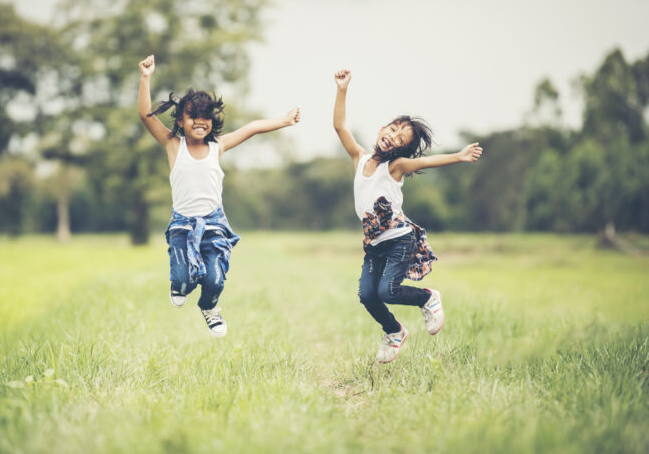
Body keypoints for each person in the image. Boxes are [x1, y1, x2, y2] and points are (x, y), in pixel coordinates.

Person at [138, 54, 300, 337]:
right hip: (183, 224)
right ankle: (179, 284)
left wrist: (284, 121)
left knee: (214, 278)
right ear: (180, 120)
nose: (200, 122)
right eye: (193, 117)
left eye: (206, 118)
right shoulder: (173, 145)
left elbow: (252, 128)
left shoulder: (218, 147)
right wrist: (145, 77)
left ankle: (209, 307)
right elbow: (144, 115)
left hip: (213, 223)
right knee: (183, 280)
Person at [332, 69, 482, 363]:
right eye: (392, 130)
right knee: (367, 295)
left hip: (400, 239)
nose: (392, 137)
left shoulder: (396, 166)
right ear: (381, 129)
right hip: (374, 244)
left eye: (401, 139)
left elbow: (427, 161)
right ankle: (394, 332)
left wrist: (458, 156)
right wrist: (342, 90)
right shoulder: (359, 158)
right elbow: (339, 126)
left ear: (403, 149)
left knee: (387, 290)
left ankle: (427, 297)